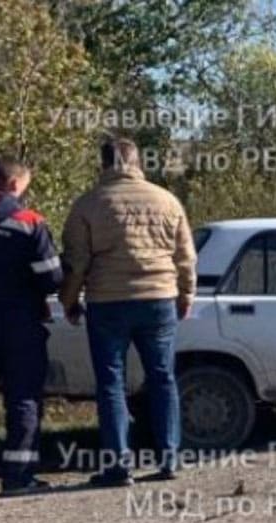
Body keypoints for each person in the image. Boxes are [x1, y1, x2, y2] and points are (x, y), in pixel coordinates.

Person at [60, 138, 197, 486]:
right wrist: (186, 294)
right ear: (139, 161)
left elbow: (77, 263)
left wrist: (69, 301)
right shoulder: (167, 200)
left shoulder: (88, 204)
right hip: (159, 299)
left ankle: (117, 465)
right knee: (162, 378)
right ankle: (169, 459)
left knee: (111, 383)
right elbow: (185, 256)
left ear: (103, 164)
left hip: (108, 302)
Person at [0, 158, 63, 496]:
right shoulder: (28, 221)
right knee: (23, 399)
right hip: (18, 322)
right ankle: (18, 476)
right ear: (15, 184)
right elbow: (51, 277)